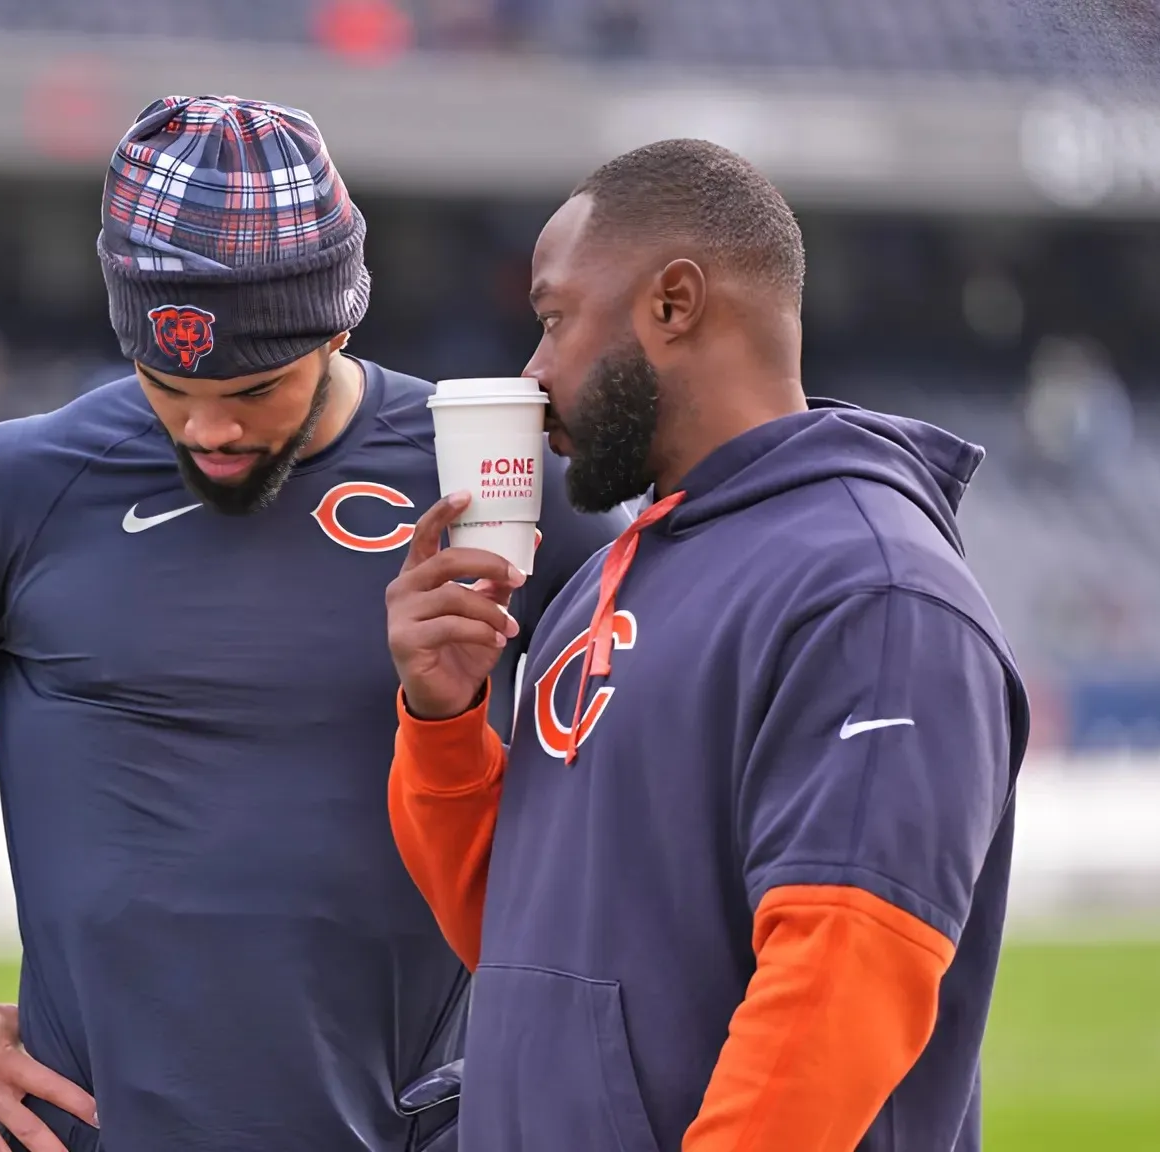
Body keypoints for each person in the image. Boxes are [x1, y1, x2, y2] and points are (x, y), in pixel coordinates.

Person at [0, 95, 624, 1152]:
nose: (208, 428)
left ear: (339, 325)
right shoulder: (17, 489)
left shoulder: (490, 489)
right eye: (166, 383)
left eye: (256, 389)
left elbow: (652, 779)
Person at [383, 139, 1029, 1152]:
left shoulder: (874, 590)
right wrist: (445, 717)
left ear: (672, 303)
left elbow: (837, 996)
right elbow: (517, 943)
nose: (534, 371)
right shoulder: (610, 573)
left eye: (552, 320)